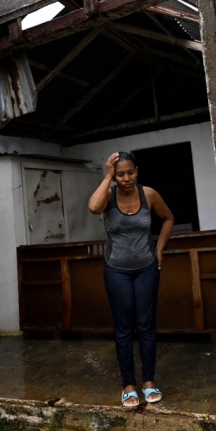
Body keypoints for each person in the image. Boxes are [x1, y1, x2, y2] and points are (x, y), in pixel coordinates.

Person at [87, 151, 174, 408]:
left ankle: (148, 382)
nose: (126, 178)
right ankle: (129, 385)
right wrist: (106, 176)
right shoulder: (108, 197)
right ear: (114, 175)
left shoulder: (149, 195)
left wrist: (159, 249)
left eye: (130, 172)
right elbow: (93, 207)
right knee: (124, 329)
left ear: (137, 171)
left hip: (147, 268)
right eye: (120, 174)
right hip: (116, 271)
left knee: (146, 326)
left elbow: (168, 219)